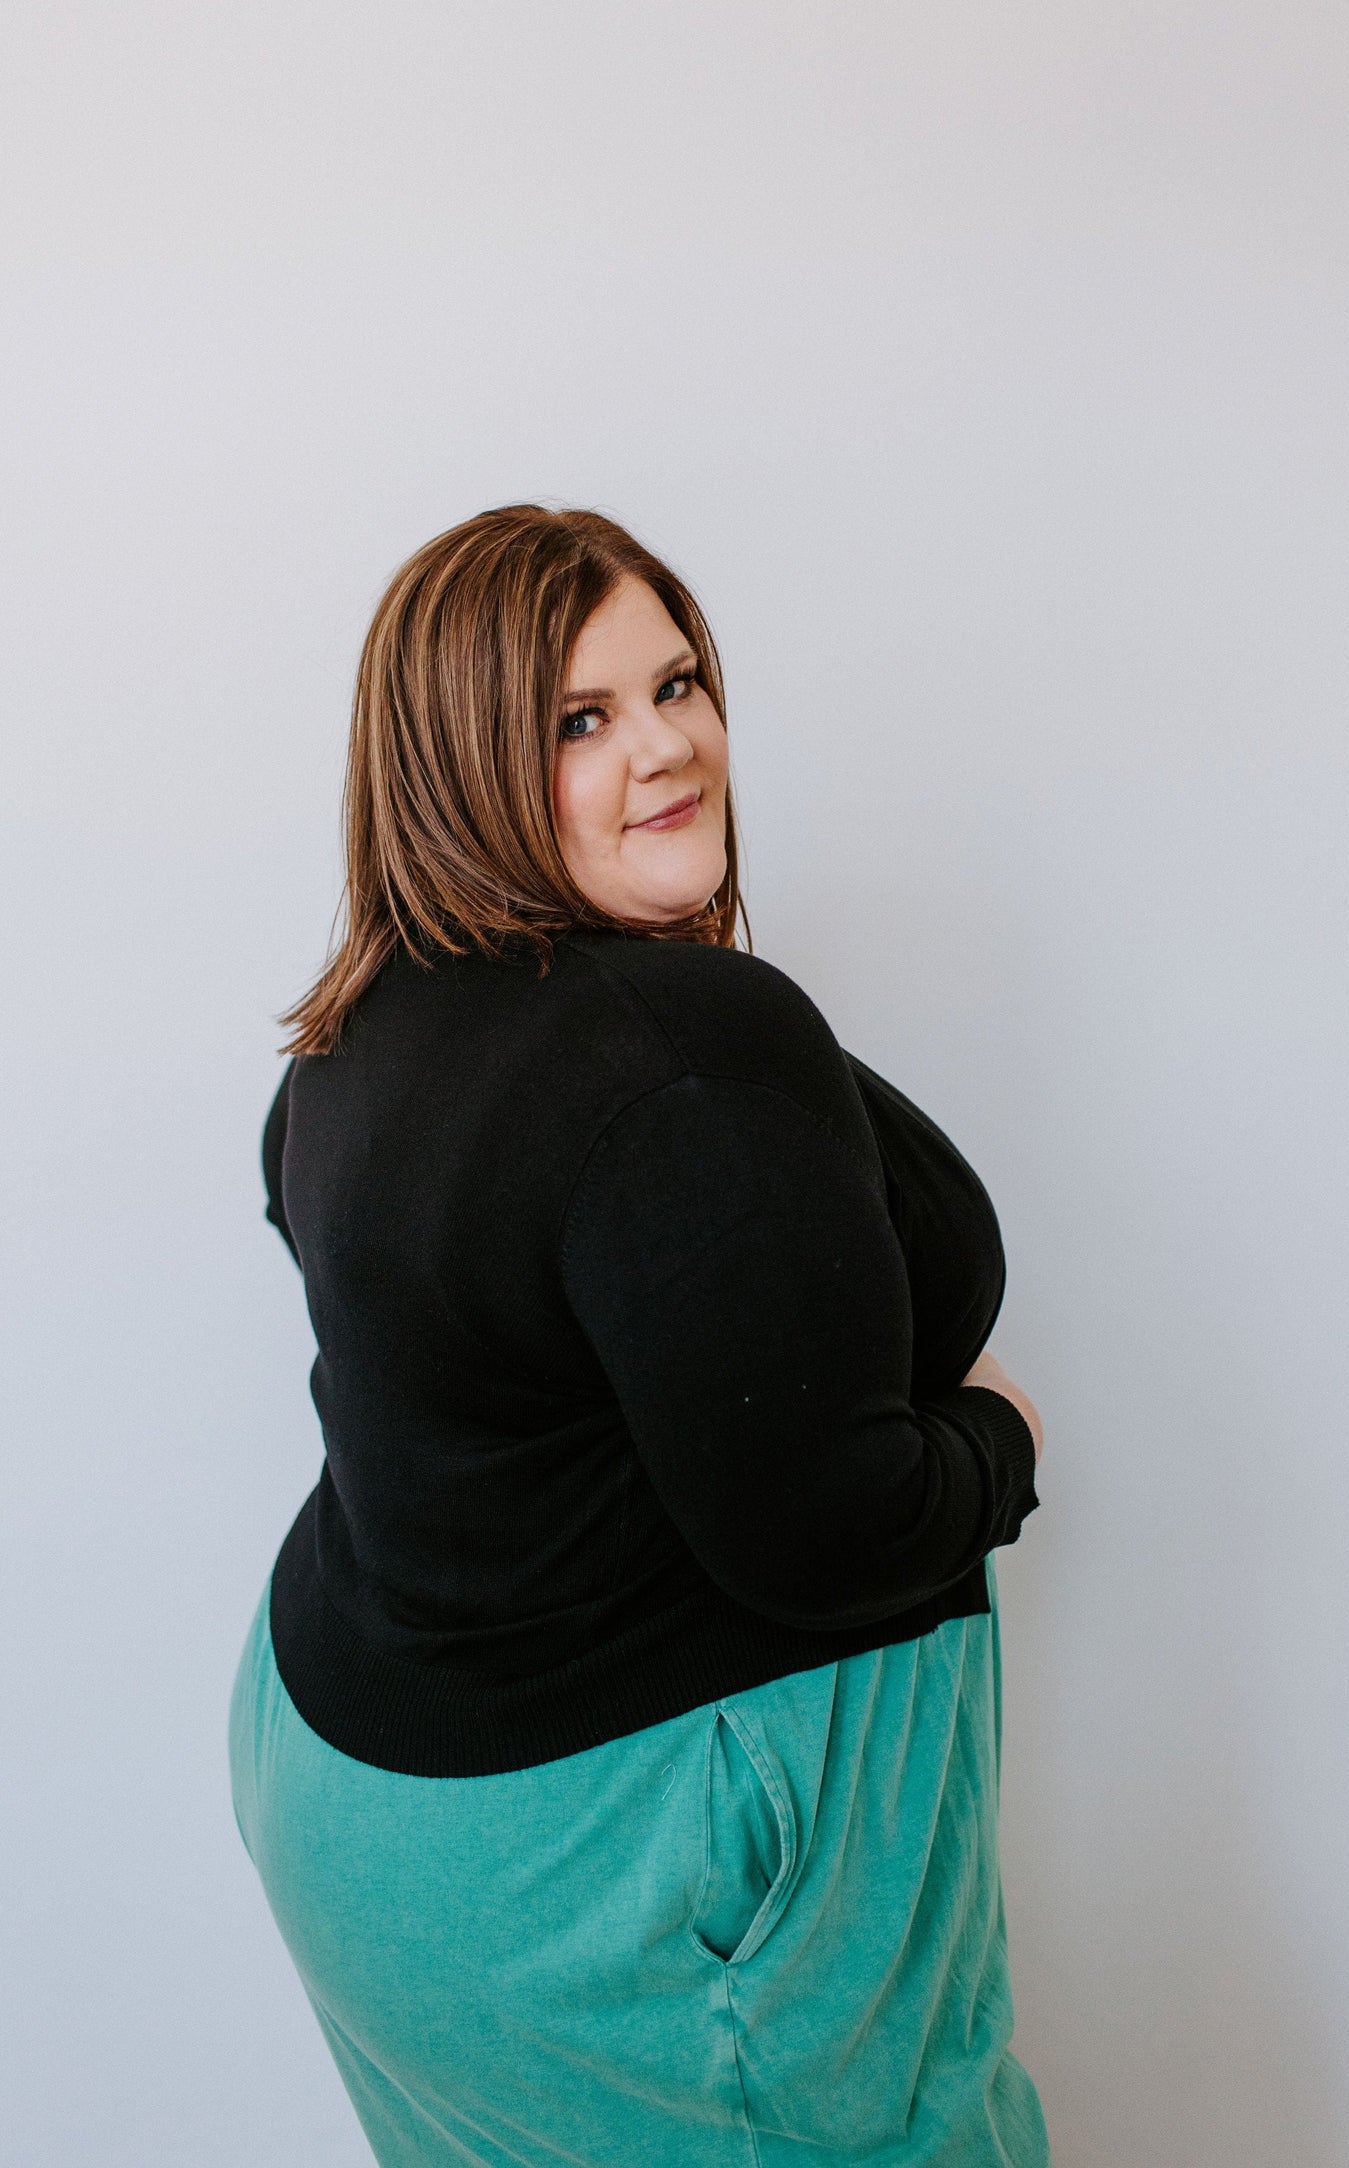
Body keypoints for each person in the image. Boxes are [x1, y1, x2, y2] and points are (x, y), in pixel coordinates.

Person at [229, 504, 1051, 2168]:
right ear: (459, 765)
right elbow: (820, 1532)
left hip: (370, 1794)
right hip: (599, 1860)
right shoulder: (677, 1052)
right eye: (578, 723)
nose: (668, 748)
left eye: (676, 683)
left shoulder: (360, 1021)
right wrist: (1001, 1443)